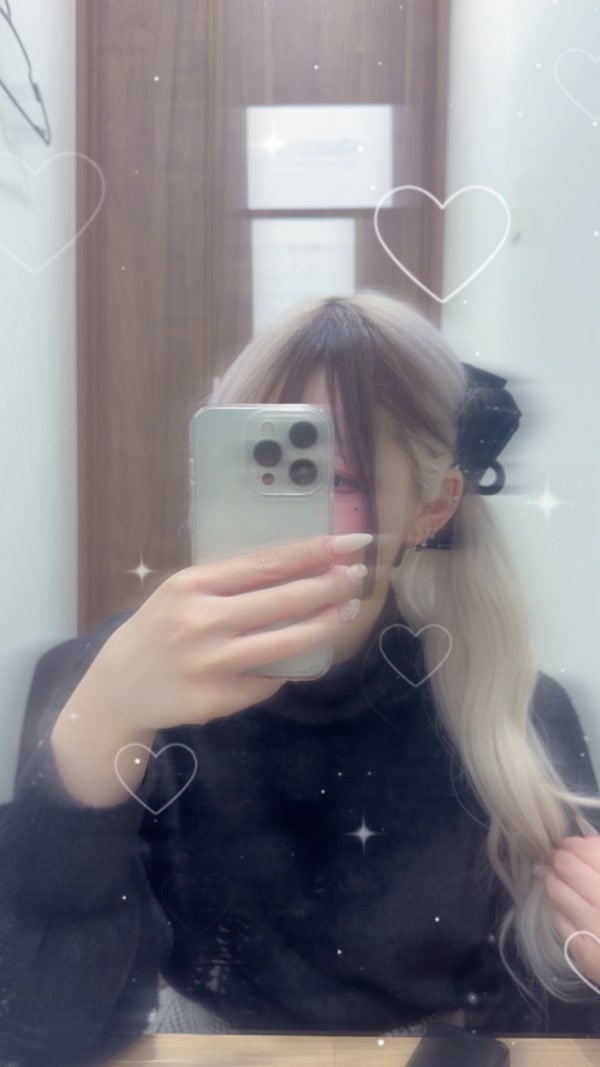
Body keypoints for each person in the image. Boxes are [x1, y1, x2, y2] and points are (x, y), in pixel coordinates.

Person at [2, 291, 600, 1067]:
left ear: (433, 507)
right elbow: (40, 1035)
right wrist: (101, 730)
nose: (287, 510)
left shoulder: (515, 713)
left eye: (337, 476)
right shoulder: (119, 687)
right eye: (253, 469)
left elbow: (544, 1019)